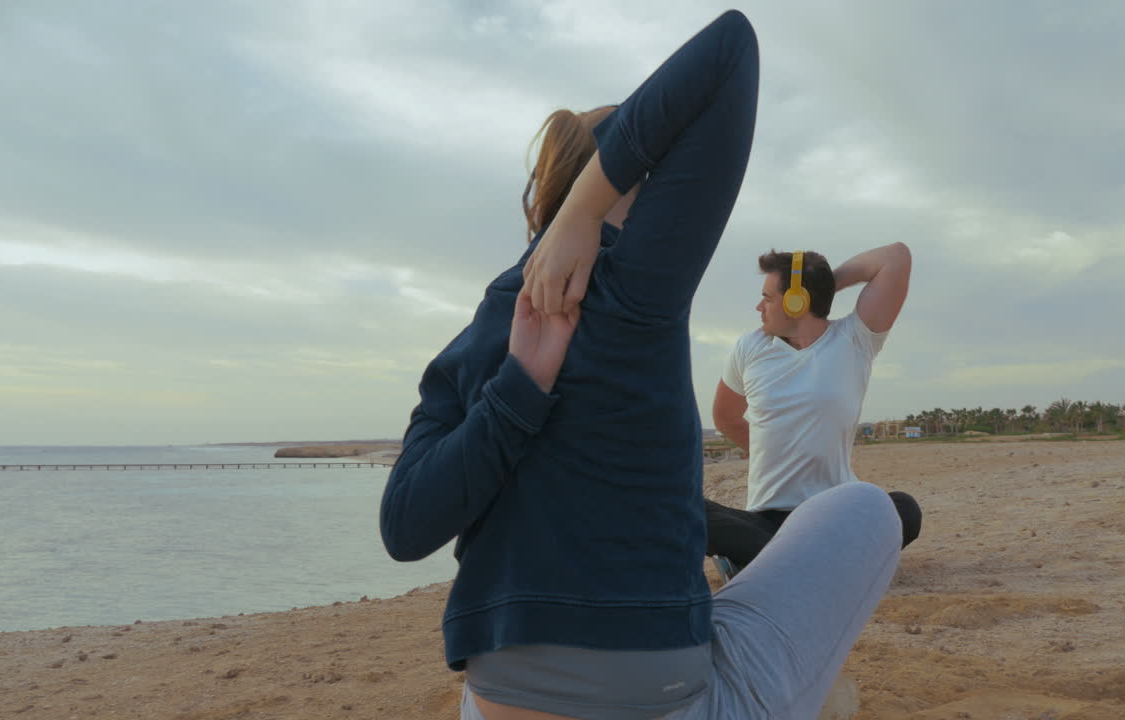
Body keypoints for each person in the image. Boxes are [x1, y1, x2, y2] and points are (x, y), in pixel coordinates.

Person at [381, 12, 901, 719]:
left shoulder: (466, 348)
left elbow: (404, 528)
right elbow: (729, 49)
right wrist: (586, 212)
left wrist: (517, 393)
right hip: (662, 699)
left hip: (498, 698)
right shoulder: (632, 285)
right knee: (867, 509)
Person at [705, 246, 922, 580]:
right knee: (688, 509)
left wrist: (822, 285)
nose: (759, 307)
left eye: (768, 298)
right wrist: (771, 452)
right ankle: (819, 563)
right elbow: (725, 417)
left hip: (834, 514)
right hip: (767, 518)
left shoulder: (854, 339)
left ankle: (774, 563)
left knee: (903, 509)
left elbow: (896, 257)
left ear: (797, 301)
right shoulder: (750, 347)